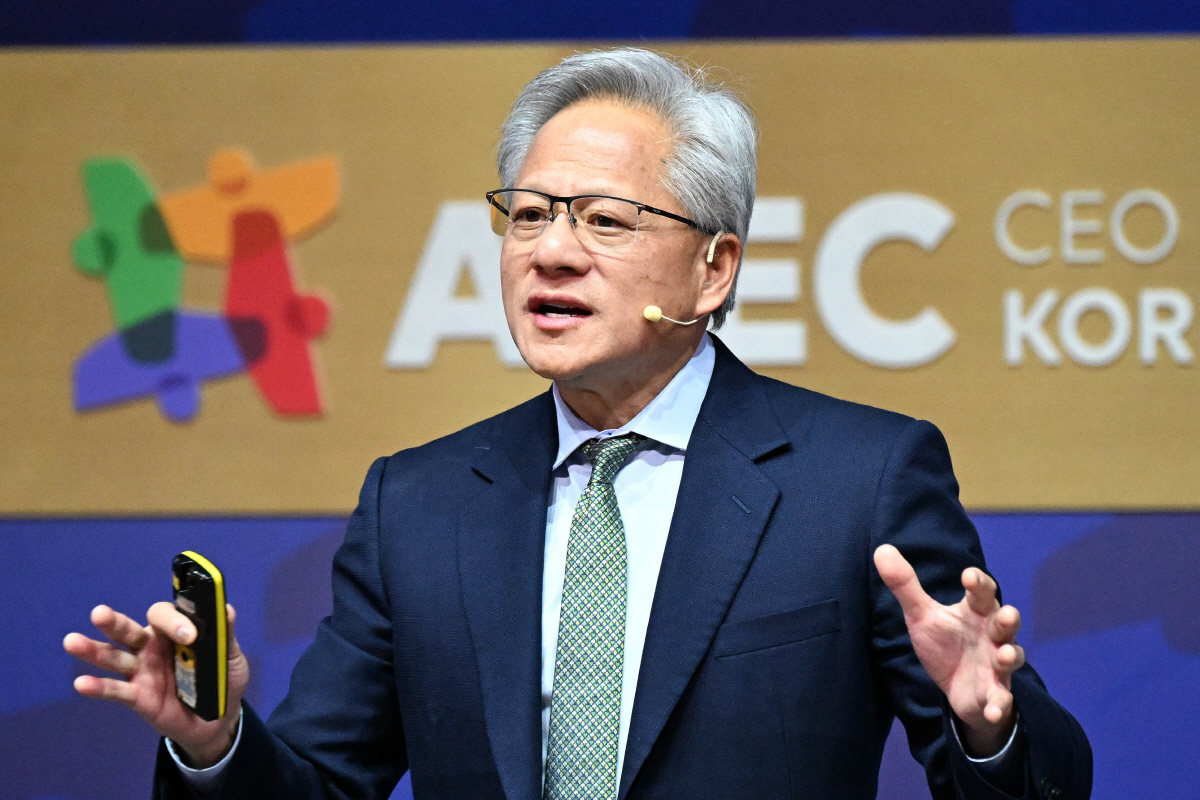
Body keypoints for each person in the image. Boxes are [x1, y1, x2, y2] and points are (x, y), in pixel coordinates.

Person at [64, 48, 1091, 799]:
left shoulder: (859, 479)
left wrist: (988, 727)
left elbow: (1042, 782)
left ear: (715, 268)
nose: (551, 252)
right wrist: (215, 741)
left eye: (604, 219)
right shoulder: (416, 504)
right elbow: (319, 784)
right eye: (529, 213)